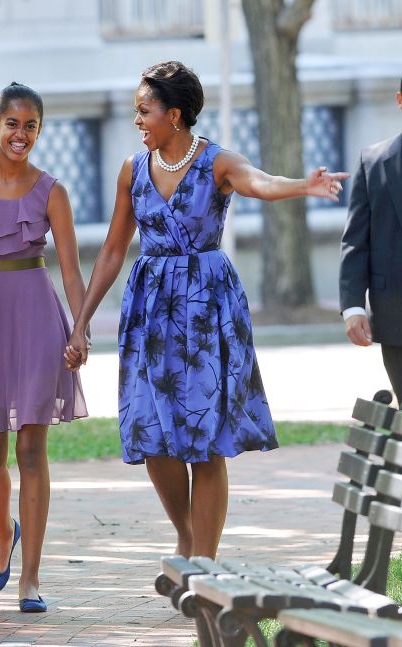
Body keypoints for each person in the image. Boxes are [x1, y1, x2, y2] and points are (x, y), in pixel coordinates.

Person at [65, 60, 348, 559]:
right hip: (150, 311)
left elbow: (259, 182)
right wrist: (82, 322)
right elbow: (111, 250)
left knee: (206, 438)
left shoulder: (217, 162)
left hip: (206, 309)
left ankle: (204, 562)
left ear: (174, 115)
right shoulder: (133, 169)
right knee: (152, 435)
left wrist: (302, 186)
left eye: (144, 110)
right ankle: (186, 532)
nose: (137, 120)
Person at [0, 83, 88, 613]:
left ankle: (30, 579)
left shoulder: (53, 191)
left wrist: (80, 328)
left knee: (31, 451)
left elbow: (72, 272)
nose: (20, 135)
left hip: (35, 318)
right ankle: (5, 532)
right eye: (12, 124)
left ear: (39, 131)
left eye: (31, 126)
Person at [340, 79, 402, 399]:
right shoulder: (373, 161)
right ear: (399, 99)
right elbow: (356, 241)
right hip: (396, 317)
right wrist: (352, 307)